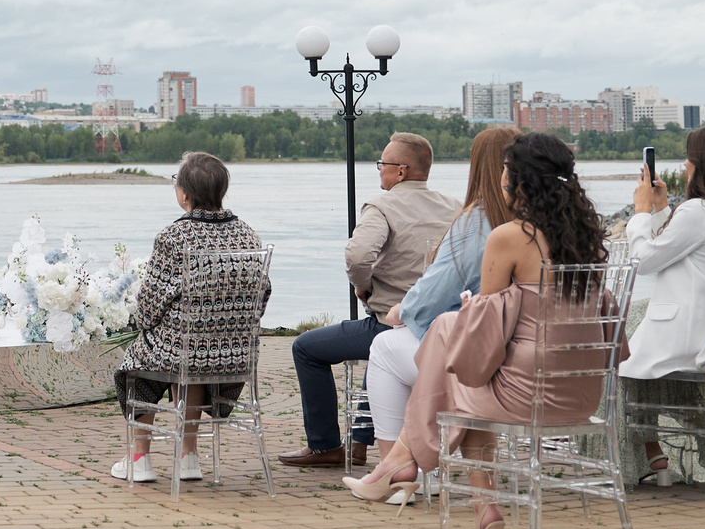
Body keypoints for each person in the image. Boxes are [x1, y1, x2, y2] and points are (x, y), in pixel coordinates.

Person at [395, 132, 620, 529]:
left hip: (529, 395)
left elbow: (484, 334)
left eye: (504, 172)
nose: (499, 180)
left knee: (459, 377)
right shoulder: (588, 238)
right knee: (460, 366)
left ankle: (425, 466)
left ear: (520, 183)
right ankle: (471, 508)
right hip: (585, 392)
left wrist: (458, 318)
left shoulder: (510, 236)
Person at [345, 124, 516, 504]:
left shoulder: (477, 222)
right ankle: (445, 480)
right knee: (425, 343)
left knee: (389, 347)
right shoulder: (541, 224)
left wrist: (402, 309)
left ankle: (395, 468)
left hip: (487, 367)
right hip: (538, 363)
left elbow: (434, 291)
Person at [280, 133, 457, 469]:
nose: (379, 171)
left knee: (306, 348)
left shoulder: (383, 205)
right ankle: (359, 444)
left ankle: (324, 445)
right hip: (444, 326)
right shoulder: (456, 207)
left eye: (383, 165)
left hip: (393, 320)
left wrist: (363, 288)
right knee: (381, 346)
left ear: (401, 171)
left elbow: (359, 255)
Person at [108, 152, 270, 483]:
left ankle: (139, 457)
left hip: (184, 352)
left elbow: (149, 307)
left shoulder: (173, 237)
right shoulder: (249, 235)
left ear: (185, 195)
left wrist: (148, 325)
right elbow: (263, 293)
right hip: (234, 357)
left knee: (140, 361)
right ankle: (189, 456)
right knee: (188, 355)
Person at [617, 126, 705, 487]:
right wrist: (664, 209)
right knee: (632, 331)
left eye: (688, 158)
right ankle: (656, 455)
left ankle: (650, 455)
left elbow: (644, 261)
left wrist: (639, 212)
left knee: (613, 354)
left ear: (700, 164)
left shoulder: (697, 210)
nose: (683, 165)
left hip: (690, 336)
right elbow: (679, 252)